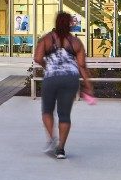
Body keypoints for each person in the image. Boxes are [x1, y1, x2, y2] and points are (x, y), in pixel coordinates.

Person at [32, 12, 94, 160]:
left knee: (47, 110)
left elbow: (37, 57)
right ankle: (61, 150)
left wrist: (46, 65)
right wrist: (88, 85)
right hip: (70, 79)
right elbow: (82, 65)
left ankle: (52, 139)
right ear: (69, 24)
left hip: (52, 78)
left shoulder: (47, 39)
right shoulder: (75, 42)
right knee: (64, 115)